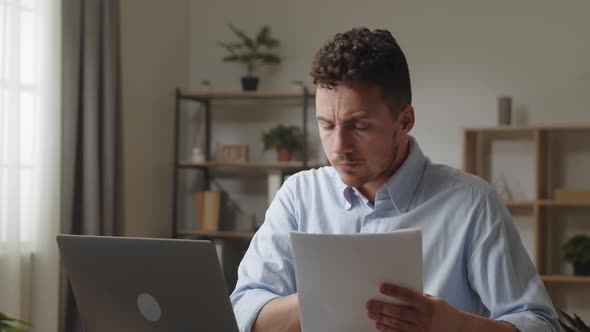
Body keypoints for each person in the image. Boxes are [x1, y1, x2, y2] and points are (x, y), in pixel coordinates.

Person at [230, 27, 559, 332]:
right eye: (326, 125)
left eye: (359, 126)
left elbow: (541, 323)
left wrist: (456, 325)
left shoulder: (472, 203)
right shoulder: (298, 196)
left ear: (404, 121)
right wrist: (325, 301)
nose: (338, 146)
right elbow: (243, 308)